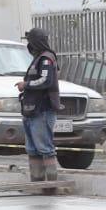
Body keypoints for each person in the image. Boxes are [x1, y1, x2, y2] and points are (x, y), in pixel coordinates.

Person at [17, 27, 61, 185]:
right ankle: (37, 184)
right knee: (32, 150)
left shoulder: (46, 59)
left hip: (42, 111)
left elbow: (45, 81)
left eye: (30, 42)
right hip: (32, 111)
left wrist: (26, 85)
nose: (29, 45)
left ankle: (51, 185)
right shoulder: (38, 58)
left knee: (45, 149)